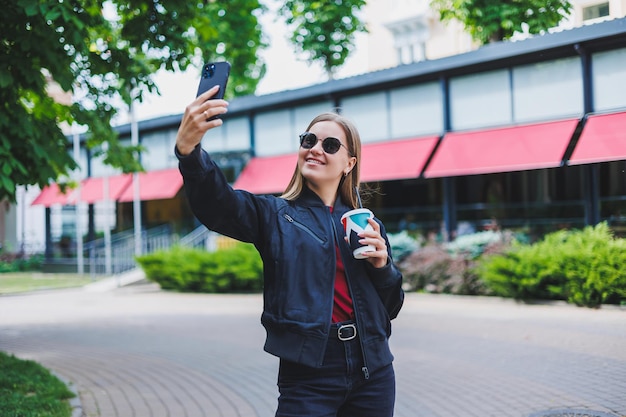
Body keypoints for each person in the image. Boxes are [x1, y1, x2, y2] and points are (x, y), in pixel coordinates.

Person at [175, 85, 404, 417]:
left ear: (349, 162)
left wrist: (384, 267)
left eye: (330, 144)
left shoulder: (367, 225)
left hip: (374, 369)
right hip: (309, 372)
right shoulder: (274, 215)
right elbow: (218, 205)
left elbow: (391, 306)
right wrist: (189, 151)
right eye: (308, 140)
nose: (315, 149)